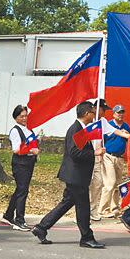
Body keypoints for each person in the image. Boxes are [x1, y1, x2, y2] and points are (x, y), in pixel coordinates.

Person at [32, 101, 106, 249]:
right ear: (86, 114)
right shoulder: (76, 129)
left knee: (66, 203)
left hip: (77, 175)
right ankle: (86, 237)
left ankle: (41, 227)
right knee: (83, 207)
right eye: (92, 112)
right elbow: (75, 153)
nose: (94, 115)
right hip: (76, 176)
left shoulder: (81, 128)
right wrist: (94, 152)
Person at [2, 105, 39, 231]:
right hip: (20, 164)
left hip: (29, 163)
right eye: (21, 116)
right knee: (23, 191)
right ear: (16, 117)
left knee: (20, 190)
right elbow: (16, 149)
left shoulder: (28, 130)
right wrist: (30, 150)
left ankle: (8, 215)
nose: (24, 118)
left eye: (25, 115)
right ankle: (19, 220)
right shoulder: (15, 131)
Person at [99, 104, 130, 218]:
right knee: (110, 183)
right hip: (108, 156)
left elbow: (129, 140)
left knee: (117, 184)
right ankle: (103, 209)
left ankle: (115, 207)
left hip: (119, 157)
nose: (121, 114)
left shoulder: (126, 126)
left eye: (122, 112)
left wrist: (127, 134)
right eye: (118, 112)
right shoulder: (108, 125)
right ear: (114, 114)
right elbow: (102, 140)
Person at [88, 98, 111, 221]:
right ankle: (82, 213)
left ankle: (93, 211)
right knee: (86, 187)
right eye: (103, 110)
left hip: (98, 160)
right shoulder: (87, 121)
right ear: (97, 109)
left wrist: (129, 135)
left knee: (97, 184)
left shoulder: (102, 121)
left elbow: (113, 131)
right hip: (87, 159)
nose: (104, 112)